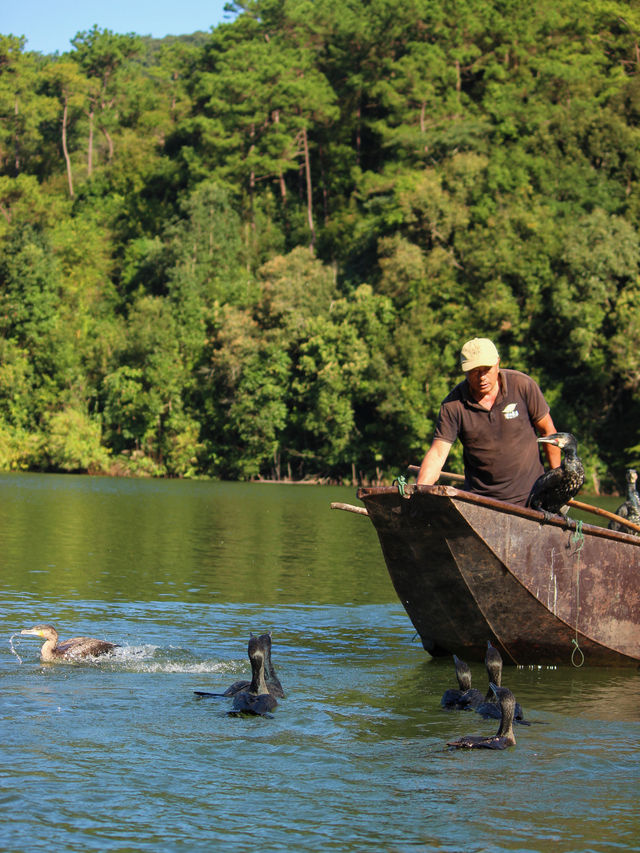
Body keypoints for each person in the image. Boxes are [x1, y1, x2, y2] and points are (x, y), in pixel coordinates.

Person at [416, 337, 560, 505]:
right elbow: (437, 454)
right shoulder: (453, 405)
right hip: (482, 502)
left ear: (498, 363)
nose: (482, 377)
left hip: (531, 497)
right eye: (474, 371)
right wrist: (420, 490)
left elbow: (548, 432)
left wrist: (556, 481)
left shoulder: (522, 385)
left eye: (486, 369)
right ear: (465, 371)